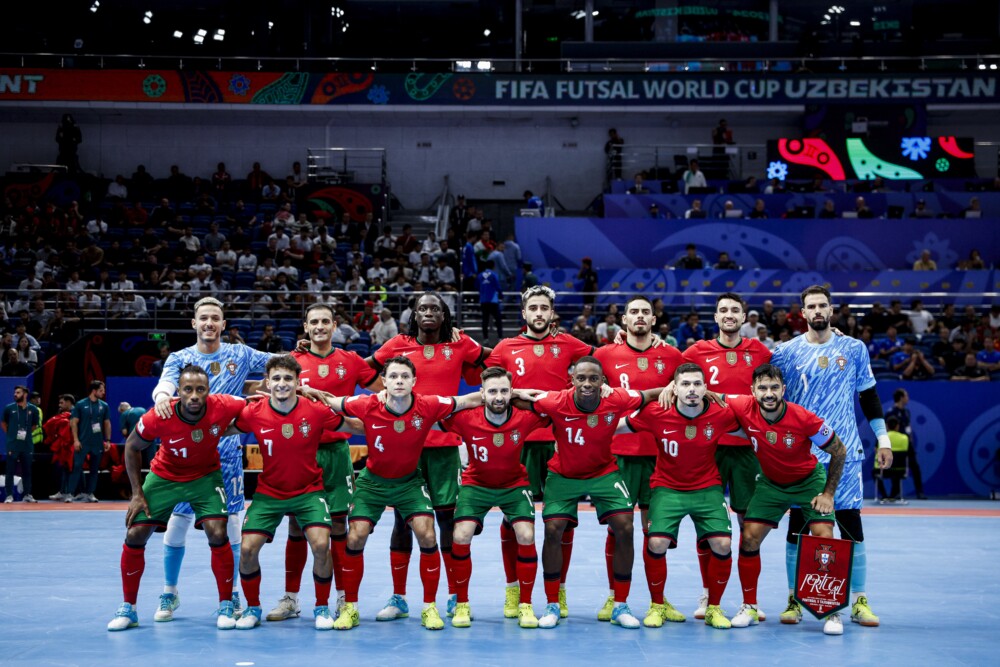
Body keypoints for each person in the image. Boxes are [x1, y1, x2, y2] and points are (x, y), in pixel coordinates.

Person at [320, 356, 484, 631]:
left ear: (414, 381)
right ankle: (350, 607)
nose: (398, 381)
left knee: (427, 532)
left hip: (409, 483)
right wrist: (308, 393)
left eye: (404, 377)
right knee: (355, 535)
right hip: (372, 482)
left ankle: (429, 607)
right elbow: (332, 402)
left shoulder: (428, 404)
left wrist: (505, 392)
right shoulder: (366, 404)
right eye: (393, 376)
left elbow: (465, 401)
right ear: (383, 381)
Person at [771, 285, 893, 630]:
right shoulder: (785, 353)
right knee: (798, 527)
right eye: (811, 306)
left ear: (831, 309)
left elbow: (869, 397)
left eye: (823, 305)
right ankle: (794, 597)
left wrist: (883, 439)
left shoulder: (854, 349)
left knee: (850, 524)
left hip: (847, 452)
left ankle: (859, 601)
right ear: (803, 313)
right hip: (802, 455)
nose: (818, 311)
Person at [149, 297, 273, 622]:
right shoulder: (180, 357)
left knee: (231, 526)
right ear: (194, 323)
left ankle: (230, 594)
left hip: (227, 456)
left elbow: (279, 364)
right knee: (177, 525)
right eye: (203, 318)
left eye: (214, 318)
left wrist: (304, 353)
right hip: (185, 457)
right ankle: (169, 592)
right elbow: (165, 383)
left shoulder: (239, 354)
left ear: (222, 323)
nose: (208, 323)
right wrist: (162, 398)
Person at [370, 293, 488, 621]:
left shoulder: (460, 343)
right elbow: (365, 370)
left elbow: (496, 359)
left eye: (435, 308)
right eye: (423, 308)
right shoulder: (397, 344)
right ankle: (399, 597)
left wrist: (468, 338)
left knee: (447, 519)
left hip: (445, 447)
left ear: (443, 315)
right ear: (415, 314)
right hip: (405, 445)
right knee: (401, 520)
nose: (428, 313)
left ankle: (454, 595)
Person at [106, 365, 245, 631]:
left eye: (200, 390)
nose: (194, 395)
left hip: (205, 477)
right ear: (178, 392)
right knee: (135, 534)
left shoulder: (224, 404)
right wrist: (137, 494)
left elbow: (254, 405)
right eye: (188, 389)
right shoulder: (160, 414)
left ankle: (226, 603)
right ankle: (129, 609)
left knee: (218, 532)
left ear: (209, 391)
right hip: (165, 476)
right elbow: (133, 446)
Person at [265, 304, 380, 623]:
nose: (319, 327)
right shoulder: (293, 361)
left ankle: (344, 598)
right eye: (313, 322)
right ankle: (290, 598)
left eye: (325, 321)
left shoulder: (351, 360)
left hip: (337, 455)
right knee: (296, 524)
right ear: (305, 327)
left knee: (340, 526)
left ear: (334, 325)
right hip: (300, 453)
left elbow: (381, 393)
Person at [485, 285, 595, 617]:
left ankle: (557, 590)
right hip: (516, 443)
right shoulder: (506, 347)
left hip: (561, 441)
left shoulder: (569, 344)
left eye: (544, 308)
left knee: (562, 521)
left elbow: (603, 359)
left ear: (552, 313)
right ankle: (513, 590)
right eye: (532, 308)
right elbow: (489, 383)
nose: (538, 313)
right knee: (512, 519)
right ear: (523, 313)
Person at [528, 357, 658, 629]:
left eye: (593, 379)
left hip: (603, 473)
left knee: (625, 526)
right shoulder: (554, 401)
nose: (587, 384)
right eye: (581, 378)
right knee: (553, 529)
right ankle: (552, 603)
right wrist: (513, 391)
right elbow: (523, 401)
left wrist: (673, 389)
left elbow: (648, 395)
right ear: (572, 380)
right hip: (563, 475)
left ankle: (620, 604)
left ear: (603, 382)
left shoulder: (617, 399)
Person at [725, 364, 848, 635]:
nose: (769, 394)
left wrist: (828, 494)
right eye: (763, 388)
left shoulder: (804, 418)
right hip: (771, 484)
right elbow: (710, 396)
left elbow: (839, 450)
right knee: (748, 538)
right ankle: (749, 606)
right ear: (752, 391)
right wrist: (672, 389)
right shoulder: (743, 406)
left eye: (774, 388)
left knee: (824, 535)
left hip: (808, 481)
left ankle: (832, 611)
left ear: (783, 389)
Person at [231, 355, 352, 630]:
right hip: (269, 493)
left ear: (299, 383)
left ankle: (321, 607)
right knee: (248, 549)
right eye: (276, 378)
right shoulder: (254, 411)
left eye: (288, 378)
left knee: (322, 544)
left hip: (309, 492)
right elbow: (222, 429)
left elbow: (353, 425)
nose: (282, 383)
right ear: (267, 382)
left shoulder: (315, 409)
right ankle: (252, 608)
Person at [620, 364, 740, 629]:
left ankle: (714, 608)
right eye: (685, 384)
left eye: (697, 384)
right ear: (674, 388)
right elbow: (618, 427)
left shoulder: (721, 413)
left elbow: (753, 425)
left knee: (722, 544)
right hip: (667, 488)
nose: (692, 390)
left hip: (707, 487)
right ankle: (657, 606)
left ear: (706, 388)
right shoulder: (656, 411)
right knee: (657, 543)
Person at [594, 296, 684, 623]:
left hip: (661, 456)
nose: (640, 316)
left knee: (654, 531)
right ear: (624, 320)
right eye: (634, 311)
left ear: (655, 318)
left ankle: (658, 602)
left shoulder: (673, 355)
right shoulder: (603, 355)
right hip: (617, 454)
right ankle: (614, 597)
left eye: (646, 311)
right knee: (619, 529)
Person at [681, 293, 771, 618]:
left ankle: (751, 601)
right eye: (723, 310)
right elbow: (671, 383)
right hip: (709, 450)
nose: (729, 314)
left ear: (745, 316)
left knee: (751, 528)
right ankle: (707, 596)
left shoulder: (761, 352)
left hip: (750, 452)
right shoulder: (695, 353)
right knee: (708, 526)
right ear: (715, 317)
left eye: (735, 310)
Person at [439, 367, 549, 628]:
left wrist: (522, 395)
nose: (498, 397)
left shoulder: (524, 417)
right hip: (476, 484)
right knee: (460, 535)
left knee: (526, 534)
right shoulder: (466, 418)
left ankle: (524, 604)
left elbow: (553, 406)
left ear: (511, 393)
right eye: (492, 391)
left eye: (503, 391)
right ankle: (462, 603)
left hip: (514, 484)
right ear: (482, 394)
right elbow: (436, 412)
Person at [66, 380, 111, 503]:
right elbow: (73, 423)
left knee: (94, 469)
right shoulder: (80, 405)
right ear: (94, 391)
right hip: (83, 441)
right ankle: (70, 493)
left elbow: (107, 423)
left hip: (97, 442)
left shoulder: (104, 406)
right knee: (77, 467)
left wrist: (107, 440)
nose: (103, 392)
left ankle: (90, 493)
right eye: (101, 390)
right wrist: (76, 440)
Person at [2, 385, 42, 503]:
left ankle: (27, 494)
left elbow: (34, 426)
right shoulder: (9, 408)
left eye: (18, 393)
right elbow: (3, 423)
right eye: (15, 393)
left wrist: (26, 434)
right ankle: (9, 495)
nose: (15, 394)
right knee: (10, 470)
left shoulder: (33, 409)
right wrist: (11, 435)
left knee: (27, 470)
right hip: (13, 444)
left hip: (27, 444)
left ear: (25, 394)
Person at [44, 394, 75, 501]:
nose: (59, 405)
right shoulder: (61, 413)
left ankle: (75, 493)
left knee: (75, 469)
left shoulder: (76, 412)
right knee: (65, 468)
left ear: (69, 402)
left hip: (73, 445)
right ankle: (63, 492)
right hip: (63, 446)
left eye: (62, 403)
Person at [478, 260, 504, 340]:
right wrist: (501, 295)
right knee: (498, 319)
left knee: (485, 320)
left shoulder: (480, 275)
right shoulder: (494, 274)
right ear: (493, 266)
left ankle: (485, 339)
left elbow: (476, 285)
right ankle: (500, 338)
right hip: (493, 300)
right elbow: (497, 286)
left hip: (483, 300)